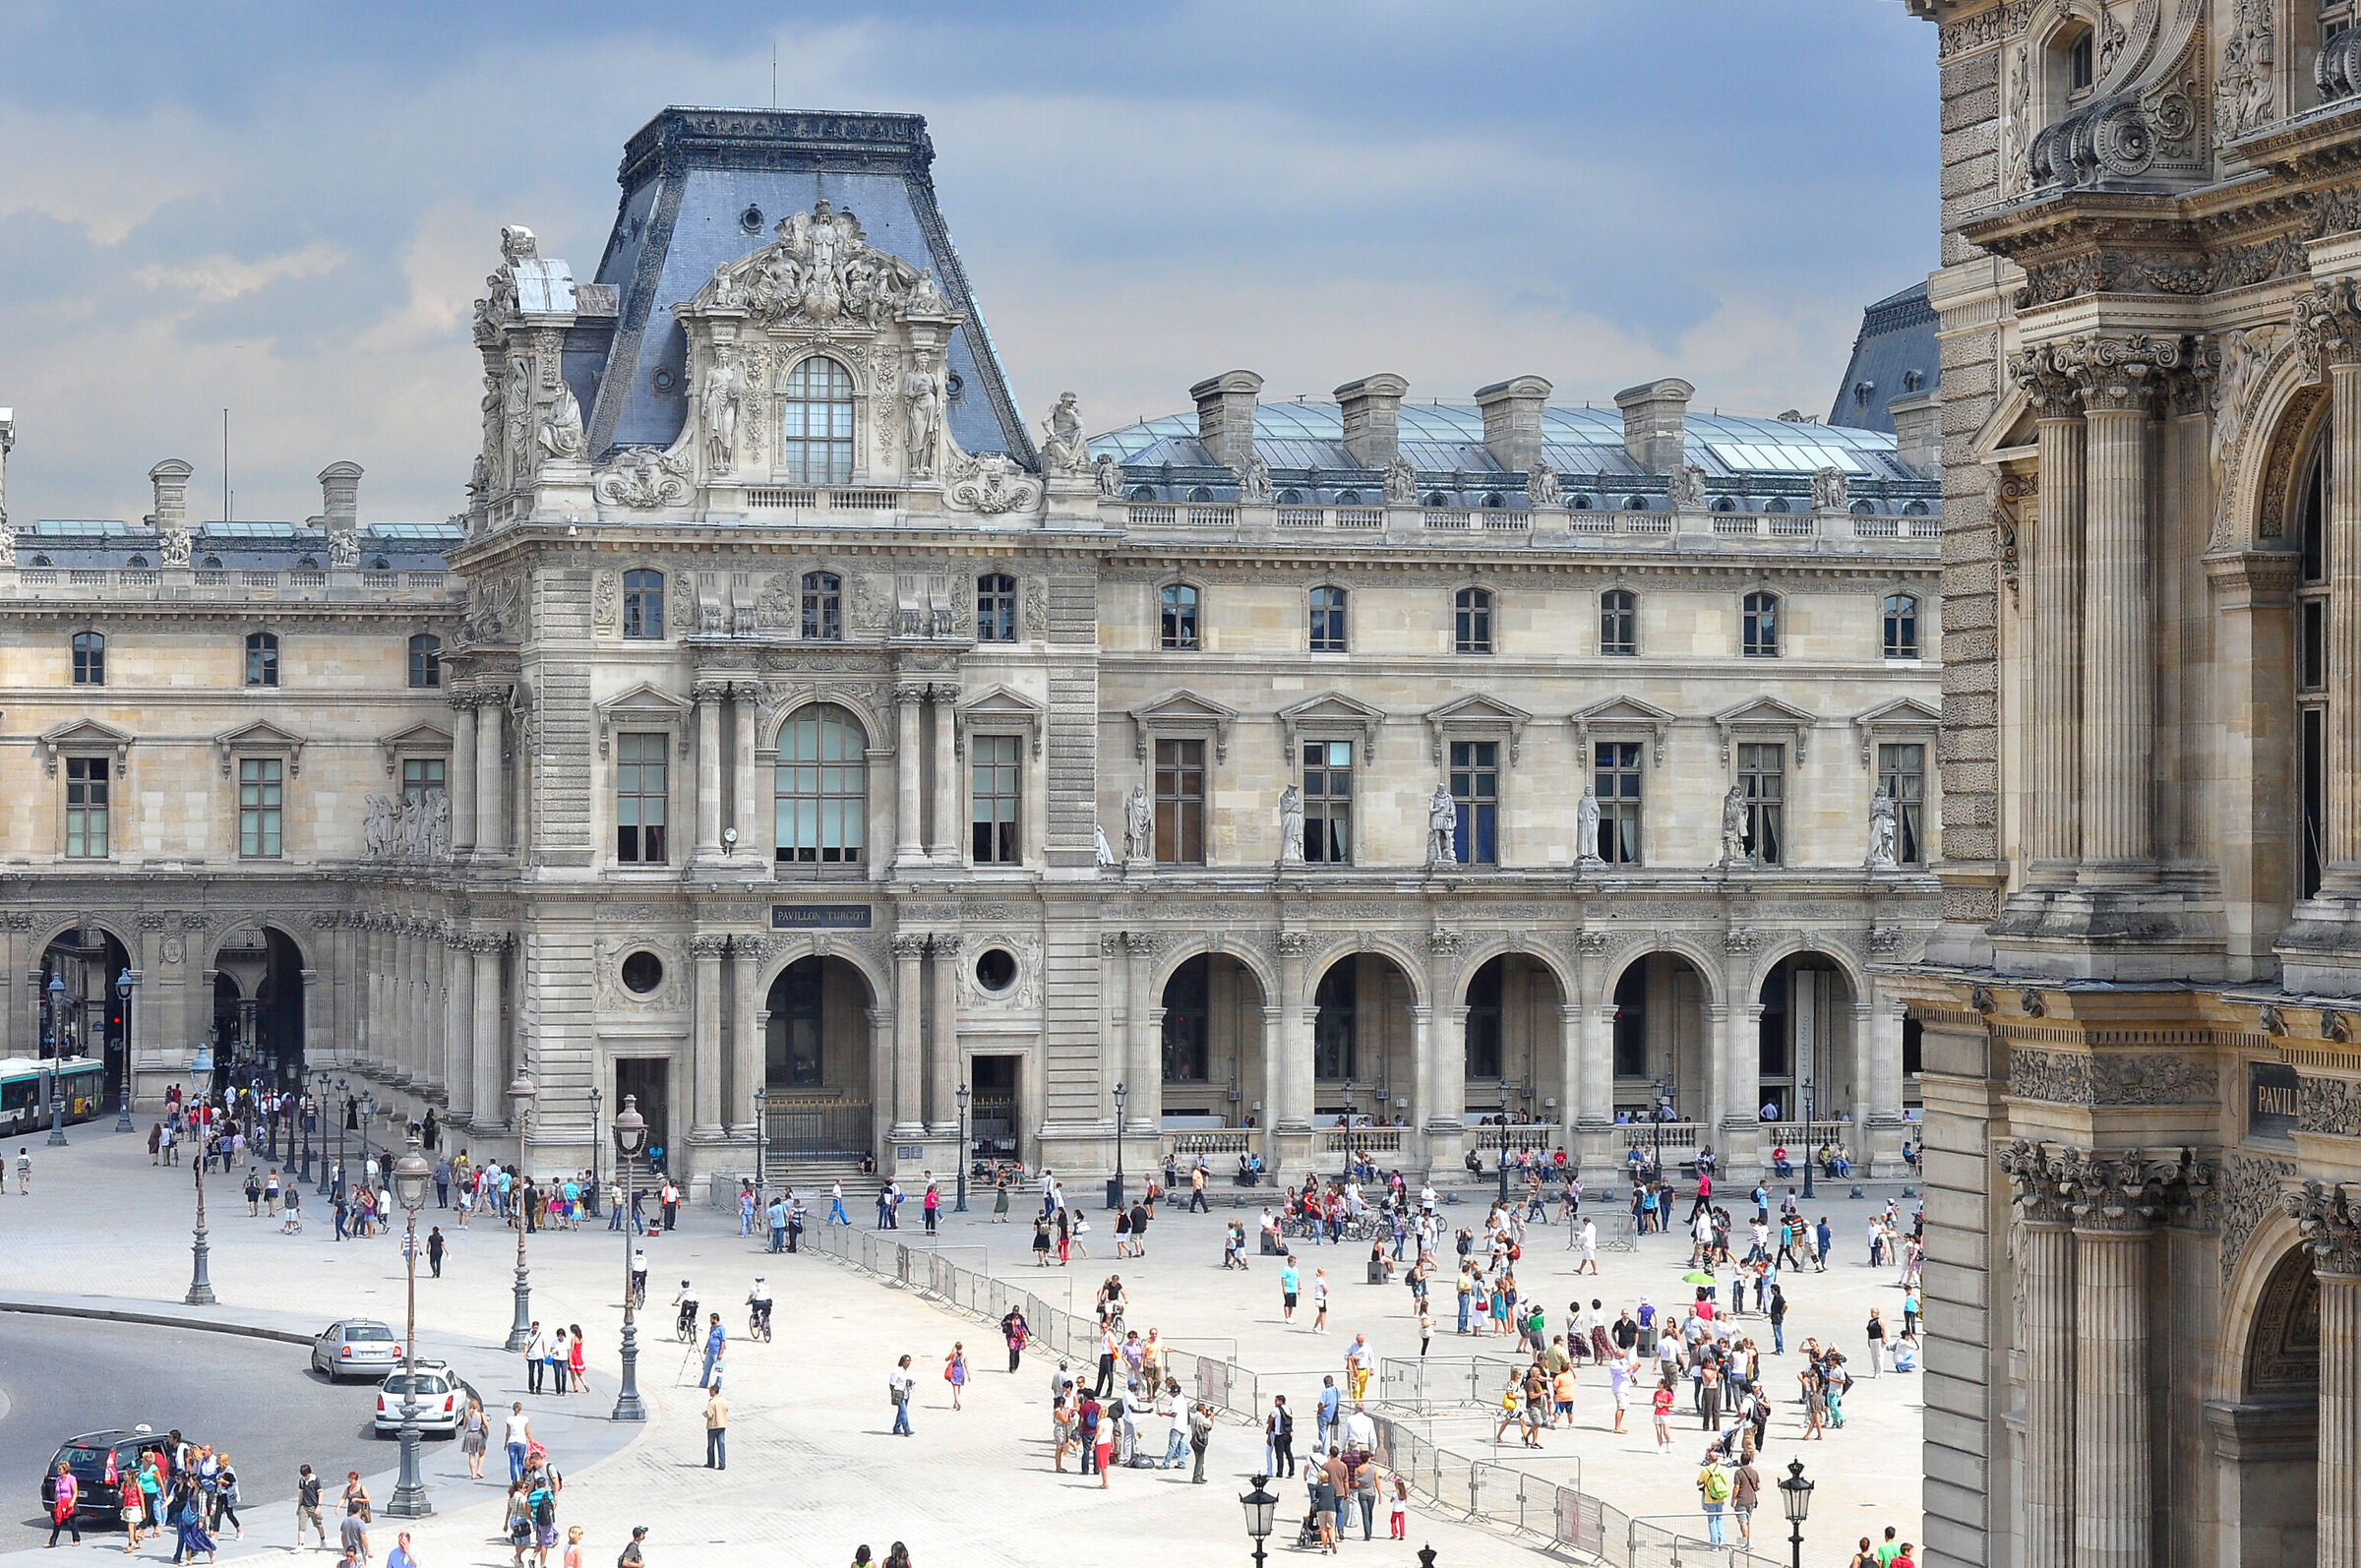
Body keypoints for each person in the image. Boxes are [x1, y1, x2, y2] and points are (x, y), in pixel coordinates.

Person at [1697, 1451, 1732, 1544]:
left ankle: (1714, 1542)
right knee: (1720, 1518)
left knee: (1712, 1520)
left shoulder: (1706, 1470)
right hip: (1721, 1497)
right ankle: (1722, 1539)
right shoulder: (1723, 1469)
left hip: (1710, 1498)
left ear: (1709, 1459)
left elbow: (1699, 1482)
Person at [49, 1458, 82, 1546]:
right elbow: (56, 1492)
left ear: (65, 1469)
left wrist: (72, 1501)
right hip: (60, 1502)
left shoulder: (71, 1479)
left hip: (68, 1502)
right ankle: (52, 1541)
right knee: (57, 1521)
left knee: (71, 1521)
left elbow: (75, 1492)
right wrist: (56, 1502)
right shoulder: (58, 1479)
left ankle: (76, 1539)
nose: (58, 1470)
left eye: (60, 1469)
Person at [458, 1400, 489, 1480]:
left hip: (469, 1435)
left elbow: (464, 1427)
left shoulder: (467, 1415)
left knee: (471, 1455)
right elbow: (487, 1425)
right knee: (481, 1454)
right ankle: (479, 1470)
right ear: (477, 1406)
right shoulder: (481, 1414)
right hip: (479, 1434)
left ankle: (473, 1474)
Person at [504, 1404, 533, 1483]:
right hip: (521, 1442)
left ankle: (514, 1480)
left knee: (512, 1462)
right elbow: (527, 1432)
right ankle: (522, 1478)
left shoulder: (509, 1419)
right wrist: (532, 1441)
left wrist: (505, 1443)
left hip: (512, 1442)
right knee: (520, 1462)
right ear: (521, 1409)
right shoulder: (525, 1419)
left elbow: (508, 1433)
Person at [888, 1355, 916, 1436]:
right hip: (899, 1394)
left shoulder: (906, 1371)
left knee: (901, 1412)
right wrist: (893, 1393)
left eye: (909, 1361)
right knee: (904, 1412)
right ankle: (907, 1429)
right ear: (902, 1361)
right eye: (907, 1361)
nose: (908, 1363)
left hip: (906, 1393)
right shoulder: (896, 1371)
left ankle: (896, 1428)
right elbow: (892, 1383)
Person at [1188, 1400, 1214, 1483]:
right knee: (1200, 1460)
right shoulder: (1200, 1417)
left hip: (1194, 1440)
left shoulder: (1195, 1416)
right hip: (1199, 1441)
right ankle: (1196, 1478)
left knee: (1199, 1459)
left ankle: (1200, 1476)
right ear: (1202, 1410)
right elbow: (1209, 1425)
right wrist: (1212, 1417)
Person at [703, 1388, 728, 1470]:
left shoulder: (712, 1402)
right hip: (722, 1425)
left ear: (714, 1392)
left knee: (711, 1446)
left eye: (710, 1391)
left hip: (713, 1426)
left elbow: (710, 1414)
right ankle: (722, 1464)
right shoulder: (724, 1400)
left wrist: (704, 1413)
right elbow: (726, 1409)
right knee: (721, 1445)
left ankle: (711, 1463)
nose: (709, 1392)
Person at [1000, 1306, 1029, 1373]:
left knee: (1017, 1352)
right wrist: (1007, 1322)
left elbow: (1023, 1326)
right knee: (1012, 1351)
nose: (1015, 1312)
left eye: (1016, 1311)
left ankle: (1016, 1365)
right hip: (1011, 1336)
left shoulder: (1020, 1318)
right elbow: (1002, 1323)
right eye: (1014, 1310)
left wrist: (1026, 1335)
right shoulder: (1008, 1317)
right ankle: (1012, 1367)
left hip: (1019, 1337)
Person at [944, 1342, 969, 1410]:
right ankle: (955, 1402)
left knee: (954, 1387)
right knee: (958, 1387)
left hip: (955, 1371)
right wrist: (968, 1375)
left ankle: (958, 1401)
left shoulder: (953, 1354)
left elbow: (946, 1359)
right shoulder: (964, 1355)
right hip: (961, 1371)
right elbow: (966, 1365)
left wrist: (951, 1352)